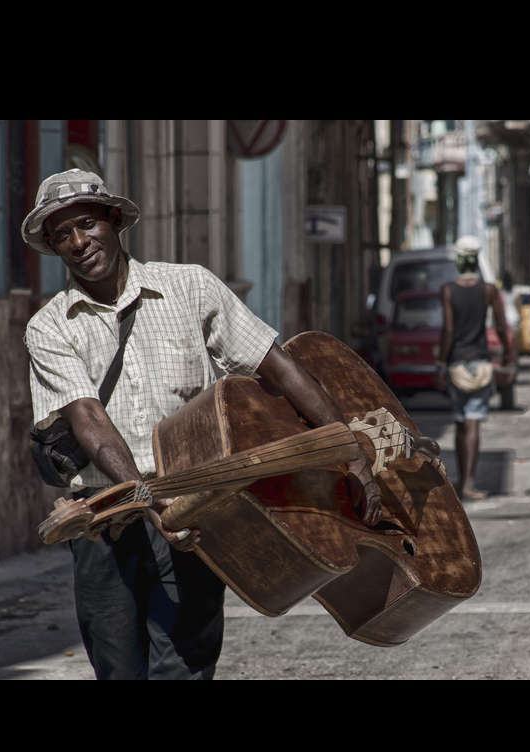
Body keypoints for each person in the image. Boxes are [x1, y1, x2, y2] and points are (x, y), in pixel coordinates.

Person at [21, 169, 383, 680]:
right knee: (119, 670)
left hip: (195, 508)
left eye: (87, 224)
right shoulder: (49, 326)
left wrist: (348, 448)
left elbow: (277, 366)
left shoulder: (189, 286)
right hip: (106, 518)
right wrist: (146, 500)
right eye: (62, 234)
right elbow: (90, 420)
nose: (79, 243)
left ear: (114, 220)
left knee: (185, 666)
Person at [435, 237, 513, 502]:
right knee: (473, 423)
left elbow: (448, 331)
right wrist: (509, 356)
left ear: (458, 262)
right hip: (481, 363)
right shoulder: (489, 291)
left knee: (460, 423)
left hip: (457, 363)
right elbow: (501, 326)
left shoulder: (447, 290)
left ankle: (461, 480)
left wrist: (440, 364)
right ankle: (468, 482)